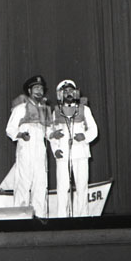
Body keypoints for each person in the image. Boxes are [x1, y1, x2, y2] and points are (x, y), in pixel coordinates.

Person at [48, 79, 98, 218]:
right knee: (62, 188)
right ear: (60, 94)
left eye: (71, 90)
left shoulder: (84, 109)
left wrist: (85, 137)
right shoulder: (56, 112)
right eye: (65, 91)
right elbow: (50, 132)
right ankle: (62, 219)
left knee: (82, 187)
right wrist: (55, 149)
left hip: (81, 153)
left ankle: (82, 218)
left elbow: (94, 130)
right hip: (63, 155)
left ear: (75, 92)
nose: (68, 93)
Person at [5, 75, 51, 217]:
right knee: (23, 184)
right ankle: (20, 219)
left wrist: (55, 134)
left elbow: (48, 132)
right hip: (26, 151)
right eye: (36, 88)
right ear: (29, 91)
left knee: (41, 185)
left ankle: (40, 217)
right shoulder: (20, 108)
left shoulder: (45, 110)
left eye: (41, 88)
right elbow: (10, 129)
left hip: (40, 153)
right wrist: (20, 135)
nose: (39, 91)